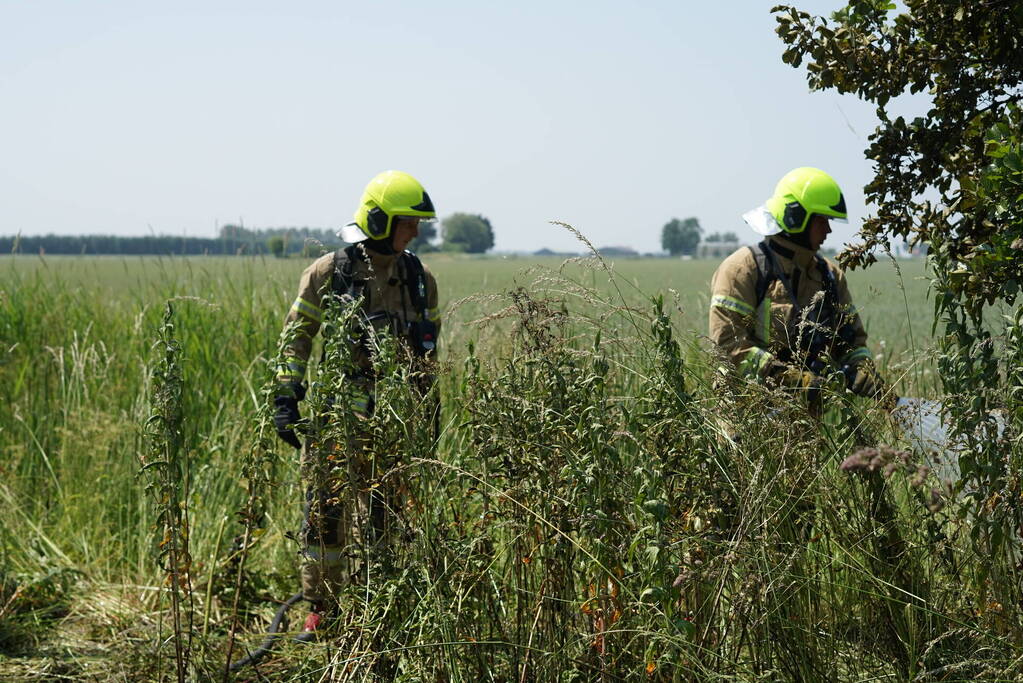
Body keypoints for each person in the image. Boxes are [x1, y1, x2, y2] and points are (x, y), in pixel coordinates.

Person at [272, 170, 441, 632]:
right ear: (381, 220)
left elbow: (430, 355)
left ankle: (379, 609)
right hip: (336, 418)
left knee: (387, 517)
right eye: (408, 222)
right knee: (324, 518)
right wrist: (286, 396)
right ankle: (320, 612)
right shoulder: (329, 271)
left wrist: (431, 412)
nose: (416, 232)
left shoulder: (421, 280)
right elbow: (297, 337)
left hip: (392, 421)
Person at [709, 166, 892, 411]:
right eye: (822, 220)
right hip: (745, 415)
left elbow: (852, 339)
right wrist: (790, 378)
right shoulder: (742, 269)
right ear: (795, 218)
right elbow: (728, 345)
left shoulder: (830, 275)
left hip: (806, 421)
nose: (828, 230)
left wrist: (861, 370)